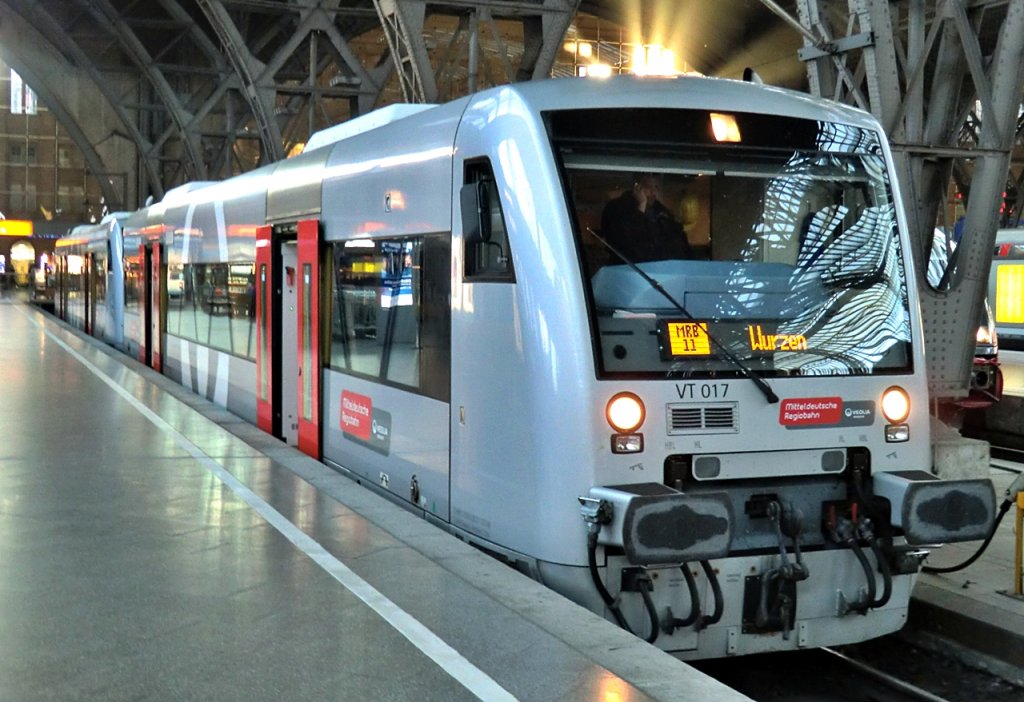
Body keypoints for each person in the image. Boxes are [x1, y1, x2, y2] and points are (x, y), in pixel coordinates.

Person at [600, 173, 692, 263]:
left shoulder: (662, 212)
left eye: (656, 187)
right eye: (649, 187)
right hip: (629, 270)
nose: (653, 192)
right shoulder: (617, 209)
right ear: (637, 187)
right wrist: (641, 207)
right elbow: (629, 244)